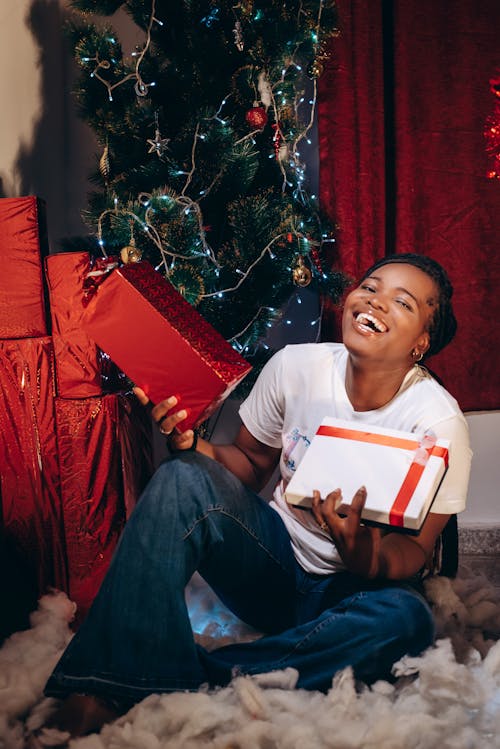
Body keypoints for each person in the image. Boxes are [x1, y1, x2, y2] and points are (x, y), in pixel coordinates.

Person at [40, 253, 472, 738]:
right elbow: (247, 463)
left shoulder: (438, 423)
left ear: (421, 344)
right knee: (182, 474)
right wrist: (195, 446)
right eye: (370, 287)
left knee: (408, 619)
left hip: (352, 590)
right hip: (274, 565)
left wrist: (362, 553)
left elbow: (414, 551)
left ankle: (190, 676)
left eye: (403, 302)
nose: (376, 302)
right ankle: (109, 679)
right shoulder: (296, 368)